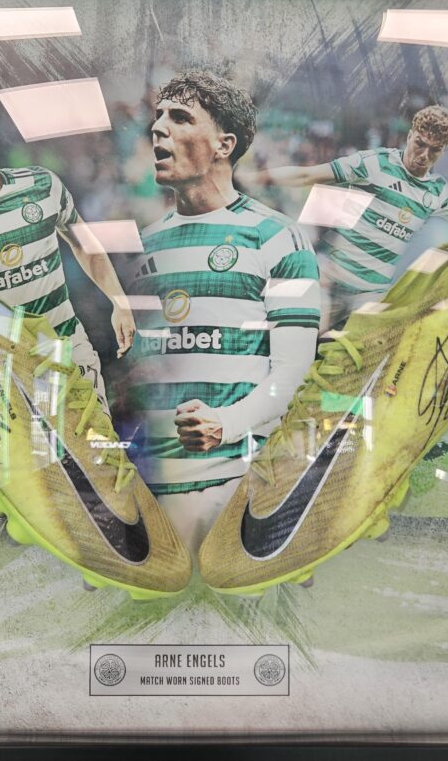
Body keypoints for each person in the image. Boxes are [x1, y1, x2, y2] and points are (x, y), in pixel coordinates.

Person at [125, 71, 321, 551]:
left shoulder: (279, 239)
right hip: (147, 490)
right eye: (157, 117)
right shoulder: (143, 246)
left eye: (180, 117)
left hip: (237, 485)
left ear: (223, 145)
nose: (158, 128)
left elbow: (293, 373)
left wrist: (225, 424)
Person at [239, 105, 448, 328]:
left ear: (442, 152)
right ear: (410, 135)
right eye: (420, 144)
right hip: (330, 281)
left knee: (349, 376)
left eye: (433, 151)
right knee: (291, 350)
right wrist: (251, 179)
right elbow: (307, 175)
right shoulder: (375, 163)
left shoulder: (435, 192)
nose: (423, 155)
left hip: (368, 299)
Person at [0, 99, 136, 406]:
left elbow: (86, 246)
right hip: (4, 371)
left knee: (97, 438)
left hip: (68, 350)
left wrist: (120, 302)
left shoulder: (41, 186)